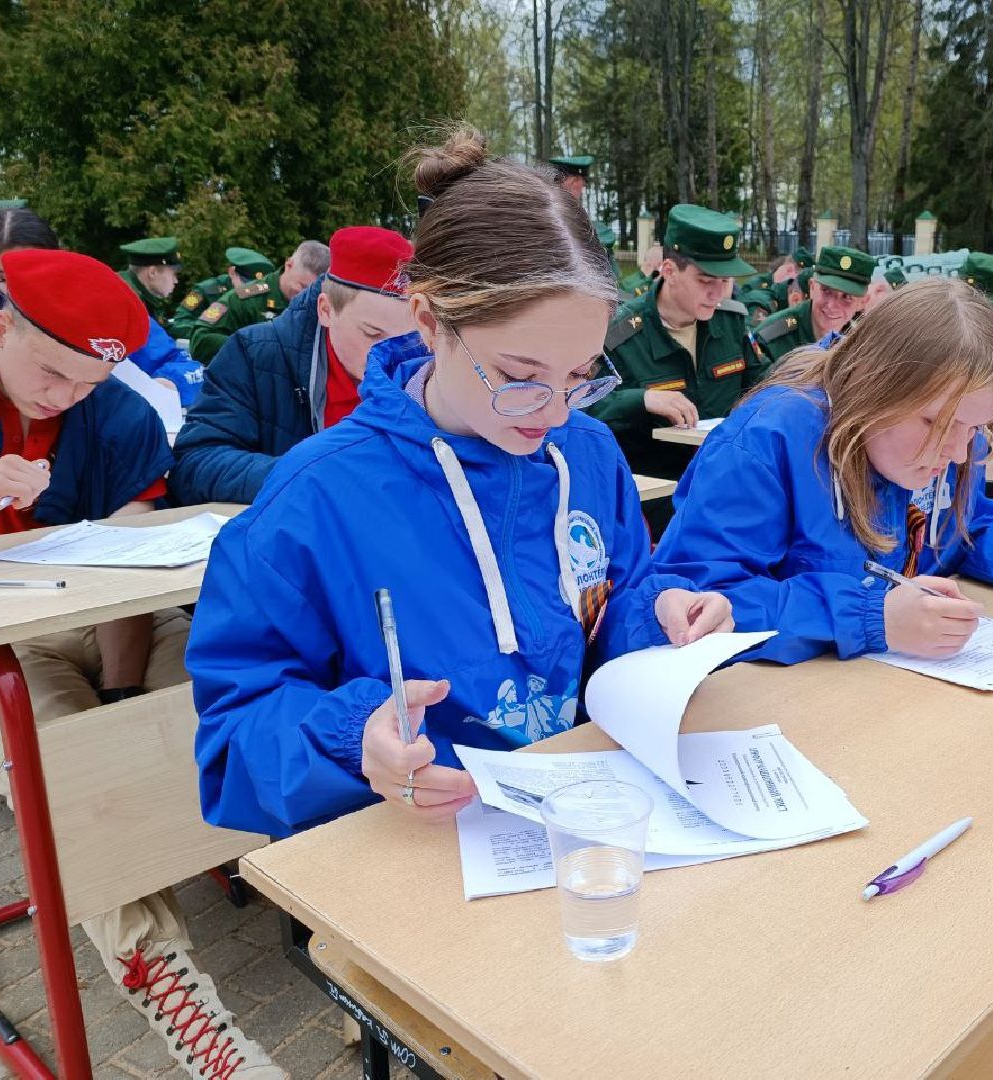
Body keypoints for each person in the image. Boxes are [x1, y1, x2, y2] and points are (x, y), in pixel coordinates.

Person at [650, 278, 993, 1078]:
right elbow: (696, 598)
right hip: (783, 751)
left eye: (975, 432)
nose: (956, 451)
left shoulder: (951, 433)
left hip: (899, 724)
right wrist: (873, 615)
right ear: (876, 384)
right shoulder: (771, 436)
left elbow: (964, 527)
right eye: (936, 427)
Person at [187, 125, 732, 842]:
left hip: (574, 821)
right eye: (519, 376)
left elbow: (612, 600)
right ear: (427, 320)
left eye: (581, 376)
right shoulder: (315, 499)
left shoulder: (590, 455)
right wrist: (355, 739)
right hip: (406, 846)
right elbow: (232, 733)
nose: (555, 411)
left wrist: (660, 617)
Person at [0, 249, 282, 1077]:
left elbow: (129, 569)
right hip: (4, 648)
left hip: (120, 621)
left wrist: (123, 695)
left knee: (221, 703)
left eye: (85, 383)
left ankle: (309, 906)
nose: (65, 398)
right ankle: (186, 1010)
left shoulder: (115, 413)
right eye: (52, 374)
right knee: (63, 775)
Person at [168, 228, 414, 505]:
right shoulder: (253, 355)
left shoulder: (428, 363)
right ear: (326, 310)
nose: (389, 356)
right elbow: (194, 463)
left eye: (406, 340)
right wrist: (309, 476)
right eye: (372, 334)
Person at [587, 203, 764, 484]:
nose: (718, 293)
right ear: (668, 270)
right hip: (654, 498)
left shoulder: (731, 323)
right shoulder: (620, 335)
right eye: (706, 280)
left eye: (726, 280)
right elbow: (581, 405)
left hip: (725, 485)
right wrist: (640, 400)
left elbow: (763, 385)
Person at [0, 209, 202, 405]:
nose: (21, 290)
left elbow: (188, 369)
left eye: (40, 276)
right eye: (5, 277)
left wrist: (165, 386)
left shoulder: (104, 314)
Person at [187, 239, 329, 362]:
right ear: (288, 265)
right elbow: (200, 340)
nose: (306, 296)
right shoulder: (246, 299)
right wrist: (250, 347)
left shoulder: (324, 305)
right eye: (302, 286)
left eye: (314, 292)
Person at [751, 245, 875, 366]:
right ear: (812, 287)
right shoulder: (772, 338)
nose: (831, 306)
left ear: (862, 302)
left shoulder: (864, 343)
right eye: (826, 290)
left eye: (847, 297)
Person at [168, 246, 275, 342]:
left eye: (256, 286)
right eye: (247, 283)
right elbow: (180, 321)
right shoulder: (205, 290)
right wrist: (208, 333)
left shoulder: (265, 294)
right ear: (232, 273)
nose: (251, 290)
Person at [118, 236, 181, 326]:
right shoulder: (127, 301)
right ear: (153, 273)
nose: (176, 281)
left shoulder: (141, 297)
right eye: (173, 274)